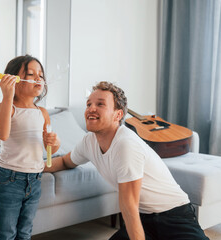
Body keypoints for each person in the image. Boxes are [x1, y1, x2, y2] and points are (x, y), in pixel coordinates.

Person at [44, 81, 209, 240]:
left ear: (118, 114)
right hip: (144, 219)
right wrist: (33, 167)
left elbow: (129, 205)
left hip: (175, 217)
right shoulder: (89, 142)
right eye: (88, 104)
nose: (91, 109)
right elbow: (65, 162)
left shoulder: (126, 144)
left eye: (100, 104)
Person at [0, 55, 60, 240]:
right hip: (9, 180)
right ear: (13, 79)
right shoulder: (8, 107)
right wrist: (7, 96)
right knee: (6, 233)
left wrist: (54, 142)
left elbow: (49, 148)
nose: (39, 78)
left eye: (41, 74)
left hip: (35, 180)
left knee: (25, 232)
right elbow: (2, 135)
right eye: (31, 74)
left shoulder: (42, 113)